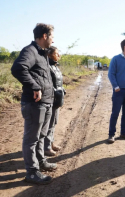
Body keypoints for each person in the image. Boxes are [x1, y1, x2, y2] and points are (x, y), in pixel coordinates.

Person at [11, 23, 57, 185]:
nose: (53, 39)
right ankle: (31, 172)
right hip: (34, 104)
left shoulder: (43, 54)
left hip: (45, 103)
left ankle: (41, 162)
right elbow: (18, 68)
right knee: (31, 138)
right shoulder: (30, 51)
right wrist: (35, 86)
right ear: (44, 36)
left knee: (41, 136)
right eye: (51, 36)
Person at [44, 46, 65, 156]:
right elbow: (47, 84)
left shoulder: (55, 67)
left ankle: (51, 143)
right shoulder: (47, 67)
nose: (59, 56)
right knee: (49, 123)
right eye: (56, 54)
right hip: (50, 99)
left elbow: (58, 83)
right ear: (49, 55)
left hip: (57, 99)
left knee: (54, 122)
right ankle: (46, 147)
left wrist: (62, 90)